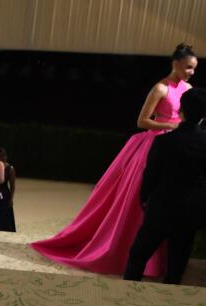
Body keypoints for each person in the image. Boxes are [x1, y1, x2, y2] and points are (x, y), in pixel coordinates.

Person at [31, 43, 197, 276]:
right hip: (153, 145)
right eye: (189, 67)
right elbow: (142, 121)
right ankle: (128, 254)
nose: (192, 72)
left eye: (194, 68)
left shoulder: (189, 89)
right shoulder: (160, 88)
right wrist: (170, 125)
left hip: (177, 146)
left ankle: (159, 261)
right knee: (140, 201)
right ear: (175, 63)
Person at [124, 87, 206, 284]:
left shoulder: (164, 142)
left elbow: (150, 176)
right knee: (177, 264)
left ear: (180, 110)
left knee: (138, 256)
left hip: (162, 205)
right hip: (192, 209)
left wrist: (145, 199)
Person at [0, 146, 17, 232]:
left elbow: (12, 185)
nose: (1, 158)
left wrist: (11, 199)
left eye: (3, 156)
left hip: (4, 193)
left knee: (5, 213)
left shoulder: (10, 169)